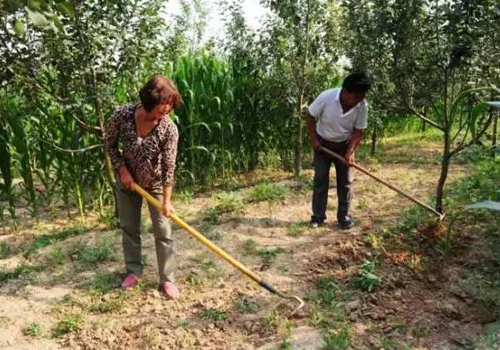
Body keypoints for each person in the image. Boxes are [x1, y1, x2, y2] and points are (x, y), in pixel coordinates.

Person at [105, 75, 181, 298]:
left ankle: (167, 279)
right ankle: (133, 271)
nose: (164, 113)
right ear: (149, 102)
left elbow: (169, 166)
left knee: (163, 231)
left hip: (155, 183)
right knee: (130, 227)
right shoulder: (122, 115)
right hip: (128, 183)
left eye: (168, 109)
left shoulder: (169, 129)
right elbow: (109, 145)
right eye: (161, 109)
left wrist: (166, 201)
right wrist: (122, 169)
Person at [306, 72, 371, 229]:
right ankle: (318, 217)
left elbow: (358, 130)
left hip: (344, 145)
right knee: (321, 180)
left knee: (346, 183)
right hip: (322, 145)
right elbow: (309, 115)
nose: (357, 102)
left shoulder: (362, 105)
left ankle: (344, 217)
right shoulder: (326, 98)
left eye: (361, 98)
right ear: (346, 91)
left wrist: (350, 151)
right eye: (356, 97)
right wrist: (314, 140)